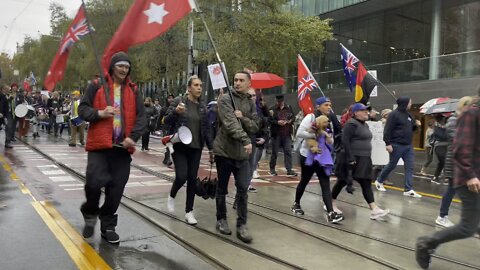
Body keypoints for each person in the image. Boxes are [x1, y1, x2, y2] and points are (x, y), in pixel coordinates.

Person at [78, 51, 147, 244]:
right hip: (99, 147)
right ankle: (90, 213)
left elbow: (142, 117)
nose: (124, 69)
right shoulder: (97, 86)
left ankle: (108, 226)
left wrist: (133, 137)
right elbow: (82, 109)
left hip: (121, 149)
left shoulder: (134, 90)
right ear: (112, 67)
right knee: (93, 182)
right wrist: (99, 113)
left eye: (127, 66)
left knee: (116, 190)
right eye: (120, 66)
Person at [416, 94, 480, 269]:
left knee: (475, 223)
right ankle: (427, 242)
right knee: (468, 227)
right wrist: (470, 174)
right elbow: (460, 147)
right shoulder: (471, 114)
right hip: (469, 178)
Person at [213, 71, 259, 243]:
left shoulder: (250, 102)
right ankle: (221, 219)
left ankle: (242, 224)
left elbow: (255, 126)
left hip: (242, 155)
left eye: (241, 80)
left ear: (249, 83)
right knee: (222, 188)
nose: (237, 83)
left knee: (242, 188)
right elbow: (230, 124)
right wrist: (246, 139)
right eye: (235, 80)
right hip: (224, 151)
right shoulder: (225, 99)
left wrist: (244, 118)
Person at [164, 75, 213, 225]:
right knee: (181, 177)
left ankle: (189, 211)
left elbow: (207, 130)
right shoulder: (179, 102)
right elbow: (165, 120)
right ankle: (171, 196)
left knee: (192, 179)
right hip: (180, 146)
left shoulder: (203, 107)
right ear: (189, 88)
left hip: (196, 148)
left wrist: (211, 149)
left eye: (200, 85)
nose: (199, 88)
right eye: (196, 85)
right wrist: (175, 113)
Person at [331, 103, 389, 220]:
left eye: (367, 110)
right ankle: (330, 203)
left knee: (366, 182)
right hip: (352, 158)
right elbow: (345, 141)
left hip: (364, 158)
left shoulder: (365, 125)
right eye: (363, 111)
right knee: (342, 181)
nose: (366, 112)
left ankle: (374, 209)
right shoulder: (351, 124)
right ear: (356, 112)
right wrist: (350, 158)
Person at [291, 110, 343, 223]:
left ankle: (331, 212)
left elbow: (331, 138)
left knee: (325, 184)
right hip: (308, 156)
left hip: (323, 157)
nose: (329, 107)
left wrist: (329, 140)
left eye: (330, 105)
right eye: (326, 105)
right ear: (319, 106)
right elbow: (300, 133)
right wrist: (316, 134)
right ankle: (296, 204)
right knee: (304, 180)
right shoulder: (311, 117)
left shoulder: (330, 120)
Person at [435, 96, 473, 228]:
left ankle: (471, 219)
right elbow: (457, 138)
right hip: (454, 161)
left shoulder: (466, 120)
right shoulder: (453, 120)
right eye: (470, 106)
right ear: (464, 106)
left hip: (465, 161)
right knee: (451, 189)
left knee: (470, 191)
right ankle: (442, 216)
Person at [375, 96, 422, 198]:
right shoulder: (393, 115)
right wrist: (388, 143)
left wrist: (416, 124)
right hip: (396, 144)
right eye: (409, 103)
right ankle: (379, 181)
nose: (411, 104)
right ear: (405, 103)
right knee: (392, 164)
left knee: (410, 166)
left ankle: (408, 189)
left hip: (408, 146)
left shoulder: (408, 115)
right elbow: (387, 130)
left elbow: (412, 128)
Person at [269, 94, 297, 176]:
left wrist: (289, 121)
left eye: (281, 102)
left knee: (288, 151)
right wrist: (277, 122)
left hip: (286, 133)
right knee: (275, 152)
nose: (279, 103)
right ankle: (272, 168)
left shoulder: (288, 108)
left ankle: (289, 169)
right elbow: (269, 120)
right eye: (278, 102)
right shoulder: (272, 109)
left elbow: (293, 117)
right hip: (276, 134)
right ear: (276, 101)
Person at [430, 115, 449, 184]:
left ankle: (435, 177)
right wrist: (446, 130)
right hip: (439, 146)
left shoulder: (444, 127)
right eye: (444, 119)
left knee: (441, 163)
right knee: (444, 160)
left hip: (446, 146)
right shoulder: (437, 128)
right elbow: (443, 136)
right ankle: (446, 178)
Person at [160, 94, 175, 166]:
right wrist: (157, 127)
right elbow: (160, 118)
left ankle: (168, 158)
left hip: (173, 128)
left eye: (172, 98)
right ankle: (167, 158)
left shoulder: (176, 107)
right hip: (165, 128)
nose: (171, 99)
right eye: (169, 98)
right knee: (167, 143)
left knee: (171, 143)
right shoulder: (164, 108)